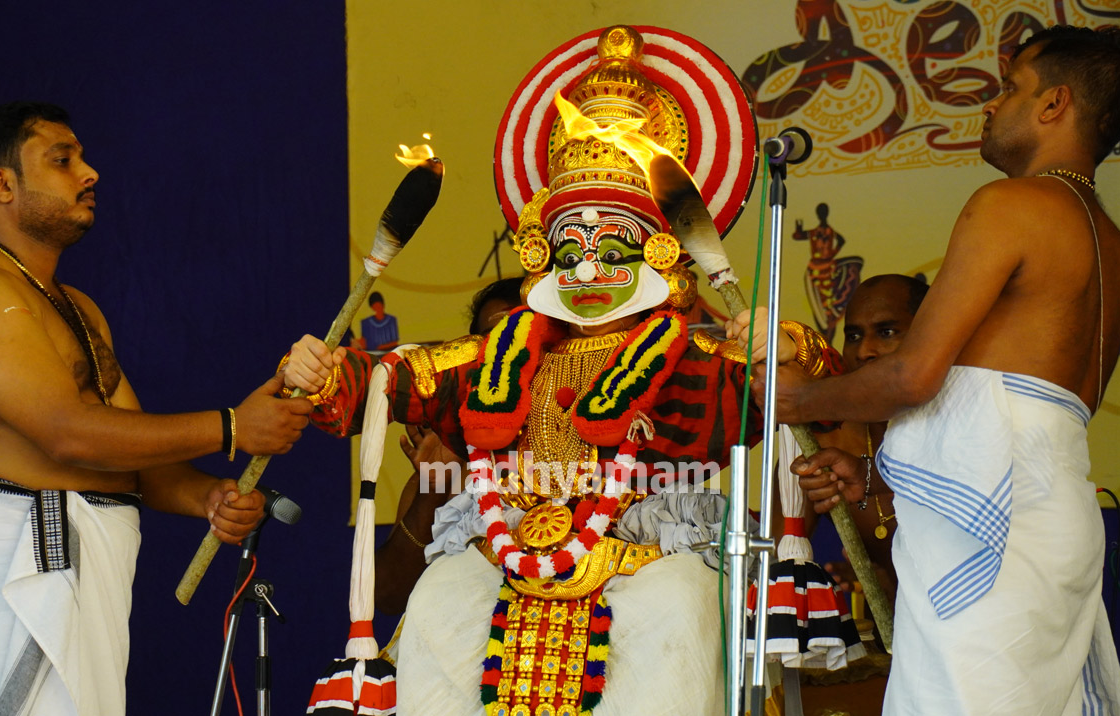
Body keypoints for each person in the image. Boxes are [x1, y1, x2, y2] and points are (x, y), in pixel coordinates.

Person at [285, 26, 840, 715]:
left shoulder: (695, 358)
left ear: (658, 254)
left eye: (611, 250)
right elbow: (399, 379)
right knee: (438, 603)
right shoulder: (502, 353)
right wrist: (326, 371)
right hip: (505, 555)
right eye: (570, 251)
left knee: (681, 608)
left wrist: (788, 347)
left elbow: (812, 398)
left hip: (649, 557)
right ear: (542, 256)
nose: (587, 270)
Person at [765, 26, 1120, 715]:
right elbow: (1024, 421)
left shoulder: (1011, 204)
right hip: (1058, 523)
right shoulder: (1114, 247)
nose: (990, 105)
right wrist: (878, 477)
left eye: (1009, 88)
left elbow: (912, 377)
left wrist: (797, 400)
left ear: (1054, 104)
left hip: (996, 540)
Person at [0, 101, 315, 716]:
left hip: (84, 565)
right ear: (1, 184)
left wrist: (204, 497)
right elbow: (68, 435)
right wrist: (233, 427)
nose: (89, 172)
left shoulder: (76, 306)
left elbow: (128, 446)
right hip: (20, 566)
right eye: (62, 160)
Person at [376, 276, 525, 615]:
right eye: (493, 340)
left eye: (523, 335)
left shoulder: (601, 454)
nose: (510, 354)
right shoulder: (453, 460)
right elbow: (388, 598)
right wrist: (432, 490)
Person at [792, 273, 930, 596]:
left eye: (886, 332)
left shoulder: (965, 430)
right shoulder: (823, 447)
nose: (864, 350)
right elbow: (771, 571)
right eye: (853, 336)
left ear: (931, 337)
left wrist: (889, 589)